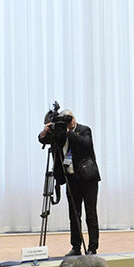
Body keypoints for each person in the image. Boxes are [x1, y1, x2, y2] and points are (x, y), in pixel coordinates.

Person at [39, 108, 101, 256]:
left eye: (71, 118)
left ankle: (92, 247)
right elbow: (43, 140)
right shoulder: (59, 133)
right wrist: (45, 131)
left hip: (88, 179)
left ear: (74, 118)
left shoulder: (84, 130)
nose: (70, 122)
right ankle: (76, 247)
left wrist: (69, 132)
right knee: (74, 215)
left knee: (90, 214)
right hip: (71, 179)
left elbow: (86, 143)